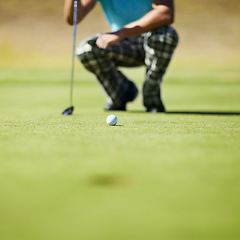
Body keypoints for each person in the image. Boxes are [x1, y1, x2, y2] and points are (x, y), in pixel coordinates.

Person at [64, 0, 178, 112]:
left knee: (165, 34)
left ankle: (151, 94)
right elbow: (73, 18)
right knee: (87, 49)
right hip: (122, 45)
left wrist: (120, 33)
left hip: (152, 39)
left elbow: (165, 13)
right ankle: (121, 93)